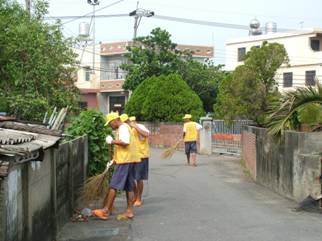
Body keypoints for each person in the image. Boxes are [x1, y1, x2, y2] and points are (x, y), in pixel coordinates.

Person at [92, 112, 138, 220]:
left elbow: (125, 142)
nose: (109, 126)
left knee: (114, 185)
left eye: (110, 123)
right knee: (129, 187)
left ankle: (105, 210)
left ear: (115, 120)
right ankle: (129, 211)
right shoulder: (124, 127)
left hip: (124, 162)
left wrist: (111, 141)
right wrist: (114, 160)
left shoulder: (122, 128)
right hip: (128, 160)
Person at [129, 116, 150, 207]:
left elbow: (147, 134)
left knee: (139, 178)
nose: (132, 123)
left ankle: (139, 198)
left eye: (133, 122)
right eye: (130, 122)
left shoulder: (140, 126)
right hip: (131, 156)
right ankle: (135, 194)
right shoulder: (127, 129)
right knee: (131, 177)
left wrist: (136, 127)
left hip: (141, 156)